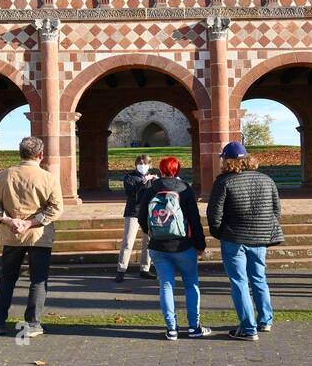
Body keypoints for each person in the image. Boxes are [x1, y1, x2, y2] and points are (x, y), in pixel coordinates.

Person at [0, 136, 64, 338]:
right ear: (40, 155)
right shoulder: (48, 178)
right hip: (38, 236)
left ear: (20, 153)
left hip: (12, 235)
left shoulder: (2, 176)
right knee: (38, 279)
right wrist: (30, 222)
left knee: (7, 278)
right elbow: (56, 209)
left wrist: (9, 220)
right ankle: (32, 324)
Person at [206, 141, 283, 341]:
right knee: (259, 278)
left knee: (239, 282)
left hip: (234, 238)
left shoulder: (224, 182)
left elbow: (214, 214)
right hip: (260, 237)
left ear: (226, 160)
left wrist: (219, 233)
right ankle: (265, 320)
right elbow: (276, 210)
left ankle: (249, 328)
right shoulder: (267, 179)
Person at [137, 156, 211, 340]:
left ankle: (171, 329)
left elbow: (141, 217)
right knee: (191, 285)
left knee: (166, 285)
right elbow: (194, 220)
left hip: (158, 247)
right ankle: (194, 327)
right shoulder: (184, 188)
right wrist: (200, 245)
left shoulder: (151, 188)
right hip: (184, 245)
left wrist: (152, 233)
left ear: (161, 170)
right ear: (177, 170)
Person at [116, 154, 157, 282]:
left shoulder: (153, 178)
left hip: (148, 213)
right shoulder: (130, 177)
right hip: (133, 212)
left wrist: (157, 181)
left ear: (150, 165)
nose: (142, 166)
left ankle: (145, 268)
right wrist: (142, 183)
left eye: (145, 163)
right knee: (128, 241)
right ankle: (121, 269)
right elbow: (130, 193)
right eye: (140, 163)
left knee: (148, 242)